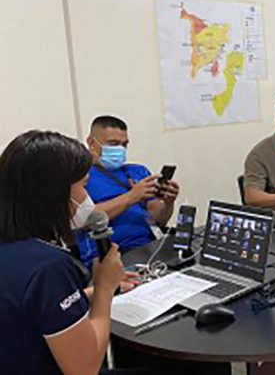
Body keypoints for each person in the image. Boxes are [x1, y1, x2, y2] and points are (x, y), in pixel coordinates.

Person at [0, 131, 124, 374]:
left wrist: (86, 293)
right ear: (55, 192)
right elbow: (84, 369)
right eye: (83, 186)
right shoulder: (48, 266)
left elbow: (29, 309)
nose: (87, 198)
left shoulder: (14, 248)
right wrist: (104, 289)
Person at [78, 116, 180, 264]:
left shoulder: (137, 171)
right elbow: (82, 219)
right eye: (113, 144)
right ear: (92, 143)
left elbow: (159, 220)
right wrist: (131, 197)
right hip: (110, 255)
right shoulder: (80, 177)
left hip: (151, 247)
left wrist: (168, 201)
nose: (120, 149)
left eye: (124, 144)